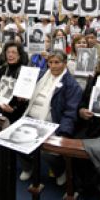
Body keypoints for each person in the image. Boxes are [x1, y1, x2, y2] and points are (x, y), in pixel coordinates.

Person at [17, 50, 82, 182]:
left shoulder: (72, 85)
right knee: (16, 139)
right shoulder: (40, 76)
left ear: (65, 64)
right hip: (30, 116)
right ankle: (28, 167)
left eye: (57, 62)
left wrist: (63, 132)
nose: (53, 66)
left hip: (53, 122)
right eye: (50, 62)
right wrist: (22, 96)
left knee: (49, 151)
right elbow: (25, 89)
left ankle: (59, 170)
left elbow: (70, 112)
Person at [0, 42, 30, 124]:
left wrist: (13, 109)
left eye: (13, 52)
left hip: (14, 110)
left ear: (19, 55)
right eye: (8, 52)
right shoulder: (3, 69)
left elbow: (24, 101)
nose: (10, 55)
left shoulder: (25, 72)